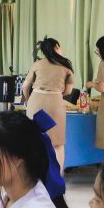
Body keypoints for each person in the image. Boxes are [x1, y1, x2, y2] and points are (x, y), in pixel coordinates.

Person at [22, 37, 74, 170]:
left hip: (36, 102)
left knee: (34, 140)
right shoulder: (66, 65)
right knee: (58, 143)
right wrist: (56, 93)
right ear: (56, 47)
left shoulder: (37, 64)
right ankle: (58, 175)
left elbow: (25, 86)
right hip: (56, 103)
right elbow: (68, 91)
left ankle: (34, 174)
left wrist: (28, 101)